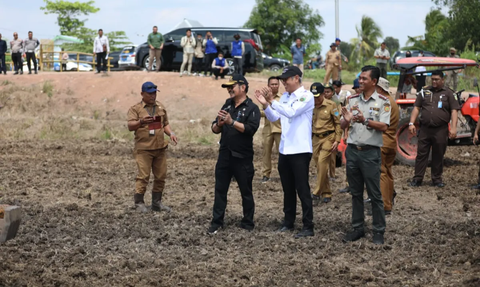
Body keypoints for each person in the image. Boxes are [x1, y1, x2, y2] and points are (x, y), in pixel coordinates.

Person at [255, 66, 315, 238]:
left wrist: (272, 101)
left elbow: (290, 112)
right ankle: (288, 221)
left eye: (286, 80)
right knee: (288, 189)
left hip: (300, 150)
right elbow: (275, 117)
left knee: (302, 189)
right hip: (285, 150)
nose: (283, 83)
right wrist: (266, 104)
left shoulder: (306, 96)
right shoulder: (287, 97)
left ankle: (308, 225)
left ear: (296, 78)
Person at [340, 65, 390, 245]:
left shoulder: (383, 101)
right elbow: (342, 125)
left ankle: (378, 230)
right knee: (355, 193)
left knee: (375, 194)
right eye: (360, 78)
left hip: (370, 153)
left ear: (374, 82)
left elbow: (384, 127)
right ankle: (357, 228)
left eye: (364, 79)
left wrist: (365, 120)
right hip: (353, 151)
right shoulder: (352, 100)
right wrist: (345, 120)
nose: (360, 81)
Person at [208, 75, 260, 234]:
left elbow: (251, 129)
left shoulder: (252, 108)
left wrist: (231, 122)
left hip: (242, 157)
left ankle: (248, 222)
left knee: (246, 191)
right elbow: (214, 128)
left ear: (243, 87)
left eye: (232, 86)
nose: (229, 89)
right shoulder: (227, 105)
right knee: (220, 190)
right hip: (225, 154)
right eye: (228, 87)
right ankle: (217, 222)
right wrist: (219, 124)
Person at [127, 81, 178, 213]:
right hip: (144, 149)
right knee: (143, 176)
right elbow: (130, 126)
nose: (152, 96)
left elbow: (165, 123)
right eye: (149, 93)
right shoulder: (136, 109)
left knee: (161, 176)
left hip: (160, 148)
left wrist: (171, 133)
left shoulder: (160, 107)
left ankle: (157, 202)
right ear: (142, 94)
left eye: (154, 93)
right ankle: (139, 203)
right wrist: (141, 121)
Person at [408, 71, 459, 187]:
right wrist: (411, 123)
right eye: (433, 79)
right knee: (421, 154)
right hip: (425, 128)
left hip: (440, 129)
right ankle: (417, 179)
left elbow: (454, 111)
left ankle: (436, 179)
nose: (434, 82)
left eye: (437, 79)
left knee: (438, 154)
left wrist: (454, 128)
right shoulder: (424, 92)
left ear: (442, 80)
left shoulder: (449, 94)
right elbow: (416, 108)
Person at [311, 82, 341, 205]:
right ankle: (327, 192)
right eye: (313, 96)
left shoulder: (331, 105)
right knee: (319, 166)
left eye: (317, 96)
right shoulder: (309, 105)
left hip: (329, 137)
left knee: (323, 162)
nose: (315, 99)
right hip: (316, 139)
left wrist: (337, 139)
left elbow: (337, 123)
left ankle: (316, 192)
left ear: (323, 94)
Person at [375, 77, 399, 215]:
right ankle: (388, 201)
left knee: (381, 173)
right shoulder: (392, 102)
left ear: (379, 88)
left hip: (382, 141)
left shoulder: (383, 102)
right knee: (388, 172)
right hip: (390, 141)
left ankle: (384, 205)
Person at [338, 78, 363, 194]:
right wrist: (346, 133)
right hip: (352, 135)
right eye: (356, 88)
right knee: (350, 163)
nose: (357, 90)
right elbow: (346, 119)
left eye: (359, 87)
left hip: (364, 136)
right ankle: (349, 184)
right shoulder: (351, 101)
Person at [261, 77, 282, 183]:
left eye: (276, 84)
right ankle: (266, 174)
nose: (274, 86)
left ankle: (283, 174)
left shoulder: (282, 98)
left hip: (279, 129)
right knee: (266, 152)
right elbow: (260, 111)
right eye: (272, 84)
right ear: (268, 86)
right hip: (268, 129)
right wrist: (270, 111)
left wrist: (268, 110)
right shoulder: (263, 98)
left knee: (282, 153)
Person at [323, 84, 339, 180]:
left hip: (331, 132)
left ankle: (332, 174)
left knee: (332, 155)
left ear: (332, 93)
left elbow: (338, 117)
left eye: (328, 92)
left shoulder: (335, 103)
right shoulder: (320, 102)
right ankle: (323, 173)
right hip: (322, 131)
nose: (326, 94)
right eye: (324, 92)